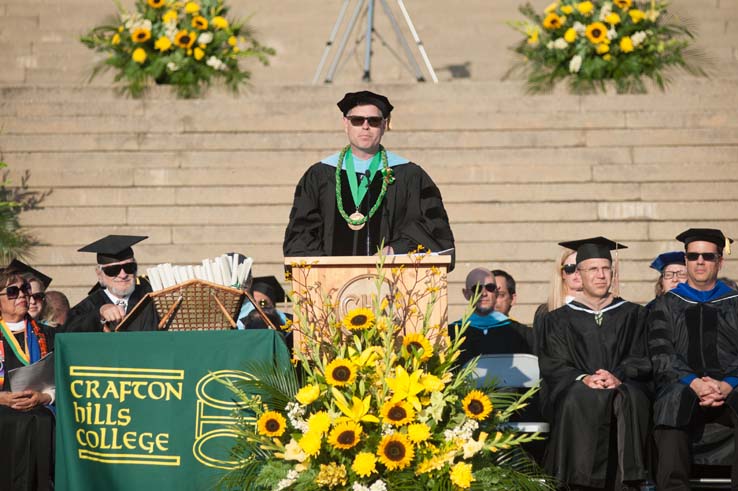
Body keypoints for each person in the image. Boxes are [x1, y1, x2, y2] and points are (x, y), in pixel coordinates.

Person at [283, 90, 455, 269]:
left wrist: (395, 250)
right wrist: (329, 269)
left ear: (384, 125)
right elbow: (300, 237)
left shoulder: (409, 176)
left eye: (373, 121)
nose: (365, 126)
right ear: (345, 124)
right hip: (331, 290)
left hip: (394, 283)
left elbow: (433, 234)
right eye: (357, 120)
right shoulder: (319, 176)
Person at [538, 237, 651, 490]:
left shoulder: (634, 314)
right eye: (593, 269)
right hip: (577, 391)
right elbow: (553, 364)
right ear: (579, 274)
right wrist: (584, 378)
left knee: (628, 396)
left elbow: (642, 358)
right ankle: (581, 483)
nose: (600, 275)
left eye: (605, 268)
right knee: (578, 396)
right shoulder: (557, 320)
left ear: (612, 271)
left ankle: (628, 481)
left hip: (623, 385)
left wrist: (618, 375)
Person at [648, 228, 738, 490]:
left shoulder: (735, 302)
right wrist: (695, 383)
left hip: (731, 385)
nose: (700, 261)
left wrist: (728, 383)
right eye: (694, 255)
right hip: (681, 384)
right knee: (670, 403)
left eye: (708, 256)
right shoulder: (666, 304)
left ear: (720, 261)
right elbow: (660, 353)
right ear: (686, 260)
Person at [0, 266, 55, 490]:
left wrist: (44, 397)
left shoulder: (48, 334)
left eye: (24, 289)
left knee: (39, 419)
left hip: (41, 411)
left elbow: (63, 379)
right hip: (3, 415)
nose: (22, 295)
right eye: (12, 292)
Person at [62, 235, 159, 332]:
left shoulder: (152, 297)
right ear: (99, 274)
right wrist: (98, 315)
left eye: (129, 267)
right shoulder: (89, 305)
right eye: (113, 270)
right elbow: (66, 332)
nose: (123, 275)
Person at [449, 267, 534, 368]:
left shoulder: (523, 334)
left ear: (496, 292)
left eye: (490, 287)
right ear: (466, 294)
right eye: (477, 288)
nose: (484, 293)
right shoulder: (450, 335)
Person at [533, 247, 583, 326]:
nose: (577, 272)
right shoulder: (546, 312)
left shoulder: (601, 309)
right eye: (570, 268)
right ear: (562, 273)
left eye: (581, 268)